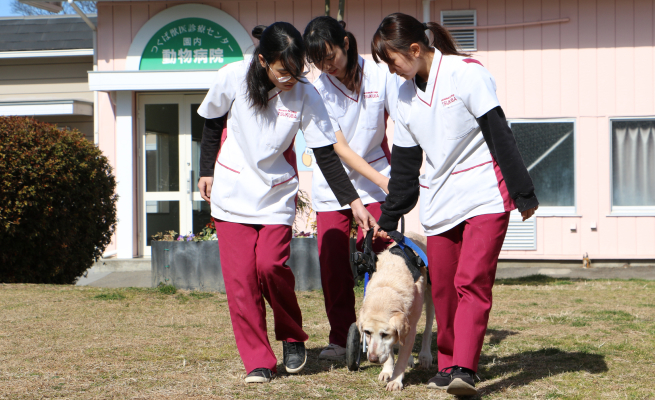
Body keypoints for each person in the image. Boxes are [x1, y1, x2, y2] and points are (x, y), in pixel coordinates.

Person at [196, 22, 378, 384]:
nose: (290, 78)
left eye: (297, 71)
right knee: (241, 281)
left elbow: (326, 153)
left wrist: (353, 201)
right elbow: (212, 123)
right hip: (232, 188)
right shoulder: (232, 76)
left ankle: (292, 336)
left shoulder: (305, 93)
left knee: (269, 267)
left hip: (276, 190)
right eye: (283, 71)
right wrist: (206, 171)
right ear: (264, 61)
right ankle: (258, 361)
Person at [371, 13, 538, 396]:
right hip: (440, 197)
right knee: (443, 287)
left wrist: (522, 191)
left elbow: (499, 131)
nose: (392, 71)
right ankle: (446, 366)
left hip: (485, 192)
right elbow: (406, 164)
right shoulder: (402, 95)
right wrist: (389, 216)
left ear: (415, 49)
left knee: (471, 281)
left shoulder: (466, 74)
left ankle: (465, 366)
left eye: (393, 60)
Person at [302, 16, 400, 361]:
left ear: (346, 42)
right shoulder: (317, 89)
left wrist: (392, 180)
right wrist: (381, 182)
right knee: (333, 264)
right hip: (334, 185)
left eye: (330, 56)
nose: (327, 67)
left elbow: (400, 123)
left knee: (381, 257)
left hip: (377, 176)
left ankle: (382, 334)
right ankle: (341, 338)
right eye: (318, 62)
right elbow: (338, 148)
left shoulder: (380, 74)